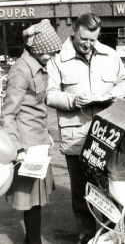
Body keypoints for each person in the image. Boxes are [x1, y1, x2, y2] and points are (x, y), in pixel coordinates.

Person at [45, 13, 125, 244]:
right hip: (76, 137)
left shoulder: (110, 55)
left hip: (107, 136)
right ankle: (86, 238)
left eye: (93, 40)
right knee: (81, 193)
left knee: (110, 190)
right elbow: (49, 94)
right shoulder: (57, 59)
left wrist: (113, 95)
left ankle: (112, 237)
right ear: (74, 31)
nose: (88, 44)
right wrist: (73, 101)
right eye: (83, 39)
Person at [0, 19, 62, 244]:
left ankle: (31, 240)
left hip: (38, 144)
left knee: (36, 201)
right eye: (49, 53)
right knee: (32, 201)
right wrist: (17, 147)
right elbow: (8, 114)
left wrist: (46, 136)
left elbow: (35, 109)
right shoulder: (20, 71)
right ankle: (33, 241)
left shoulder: (37, 66)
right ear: (37, 49)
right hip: (27, 149)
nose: (52, 57)